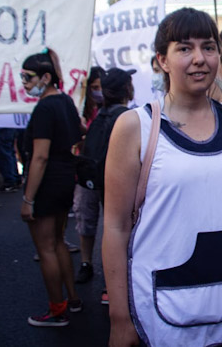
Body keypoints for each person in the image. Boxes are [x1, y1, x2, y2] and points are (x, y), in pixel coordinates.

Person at [103, 8, 222, 346]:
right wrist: (119, 318)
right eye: (184, 48)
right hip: (163, 314)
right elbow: (116, 227)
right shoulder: (135, 127)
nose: (199, 59)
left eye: (208, 47)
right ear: (162, 59)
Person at [20, 48, 83, 326]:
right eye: (22, 77)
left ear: (46, 77)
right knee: (57, 242)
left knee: (46, 247)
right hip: (65, 177)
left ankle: (57, 311)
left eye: (28, 77)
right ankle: (72, 299)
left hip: (48, 181)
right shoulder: (65, 101)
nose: (24, 83)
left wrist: (28, 199)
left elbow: (40, 156)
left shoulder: (46, 106)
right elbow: (80, 129)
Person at [74, 68, 135, 285]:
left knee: (90, 224)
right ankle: (114, 281)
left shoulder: (100, 113)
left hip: (90, 179)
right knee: (116, 228)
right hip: (114, 181)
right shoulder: (126, 117)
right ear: (127, 88)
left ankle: (86, 263)